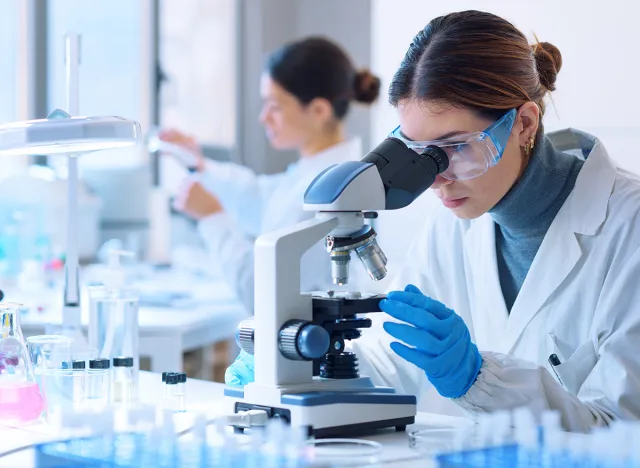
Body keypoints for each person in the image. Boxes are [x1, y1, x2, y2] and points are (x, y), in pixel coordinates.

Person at [226, 10, 640, 432]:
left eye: (454, 147)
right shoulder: (456, 221)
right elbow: (395, 356)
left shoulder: (629, 229)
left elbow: (624, 432)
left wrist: (478, 379)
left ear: (524, 123)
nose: (435, 179)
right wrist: (302, 365)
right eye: (419, 153)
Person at [160, 37, 380, 314]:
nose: (264, 117)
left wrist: (212, 219)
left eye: (274, 105)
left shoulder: (331, 192)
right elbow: (260, 197)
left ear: (319, 111)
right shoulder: (317, 172)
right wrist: (198, 165)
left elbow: (262, 295)